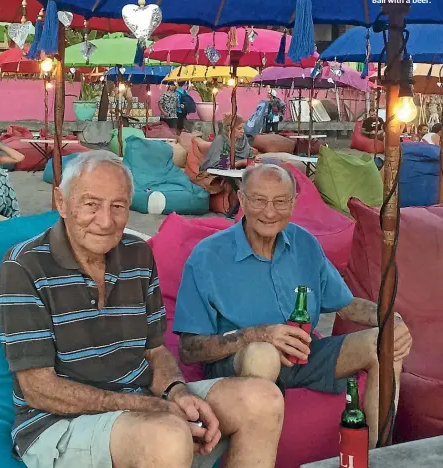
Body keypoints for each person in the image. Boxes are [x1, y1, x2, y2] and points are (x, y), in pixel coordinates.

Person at [0, 150, 284, 468]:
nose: (105, 221)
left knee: (263, 400)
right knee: (168, 435)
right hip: (59, 424)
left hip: (141, 403)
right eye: (90, 204)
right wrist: (147, 407)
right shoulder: (24, 265)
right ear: (62, 203)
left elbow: (155, 352)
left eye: (117, 206)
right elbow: (39, 390)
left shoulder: (137, 255)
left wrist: (176, 392)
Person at [174, 164, 412, 449]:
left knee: (384, 343)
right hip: (240, 363)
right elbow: (189, 350)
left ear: (294, 203)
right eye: (259, 200)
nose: (270, 212)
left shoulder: (305, 244)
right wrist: (258, 335)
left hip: (305, 354)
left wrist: (391, 320)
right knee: (263, 354)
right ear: (243, 199)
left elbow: (346, 305)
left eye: (280, 201)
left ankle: (378, 455)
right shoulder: (208, 257)